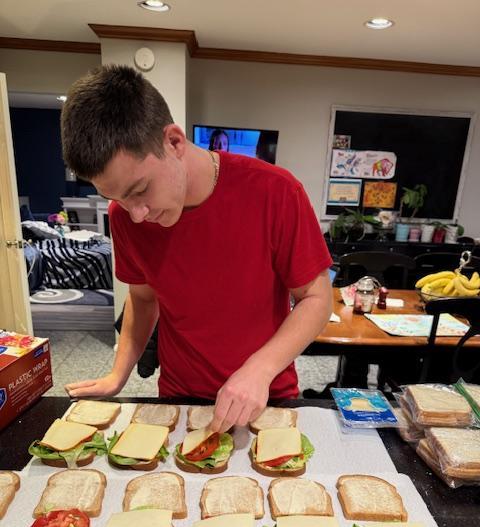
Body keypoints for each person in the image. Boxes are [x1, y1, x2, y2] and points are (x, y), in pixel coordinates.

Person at [61, 65, 333, 432]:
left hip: (267, 395)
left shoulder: (276, 192)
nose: (136, 214)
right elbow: (143, 299)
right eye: (118, 198)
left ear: (174, 142)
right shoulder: (124, 216)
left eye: (140, 190)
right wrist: (117, 374)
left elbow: (316, 299)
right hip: (180, 398)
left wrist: (260, 369)